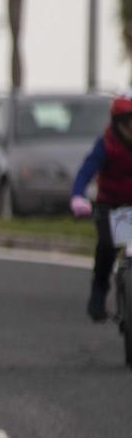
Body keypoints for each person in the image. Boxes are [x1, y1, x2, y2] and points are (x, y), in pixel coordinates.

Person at [69, 94, 132, 321]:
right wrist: (78, 197)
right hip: (111, 205)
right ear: (118, 124)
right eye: (128, 122)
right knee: (107, 246)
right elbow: (86, 171)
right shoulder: (106, 145)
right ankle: (99, 291)